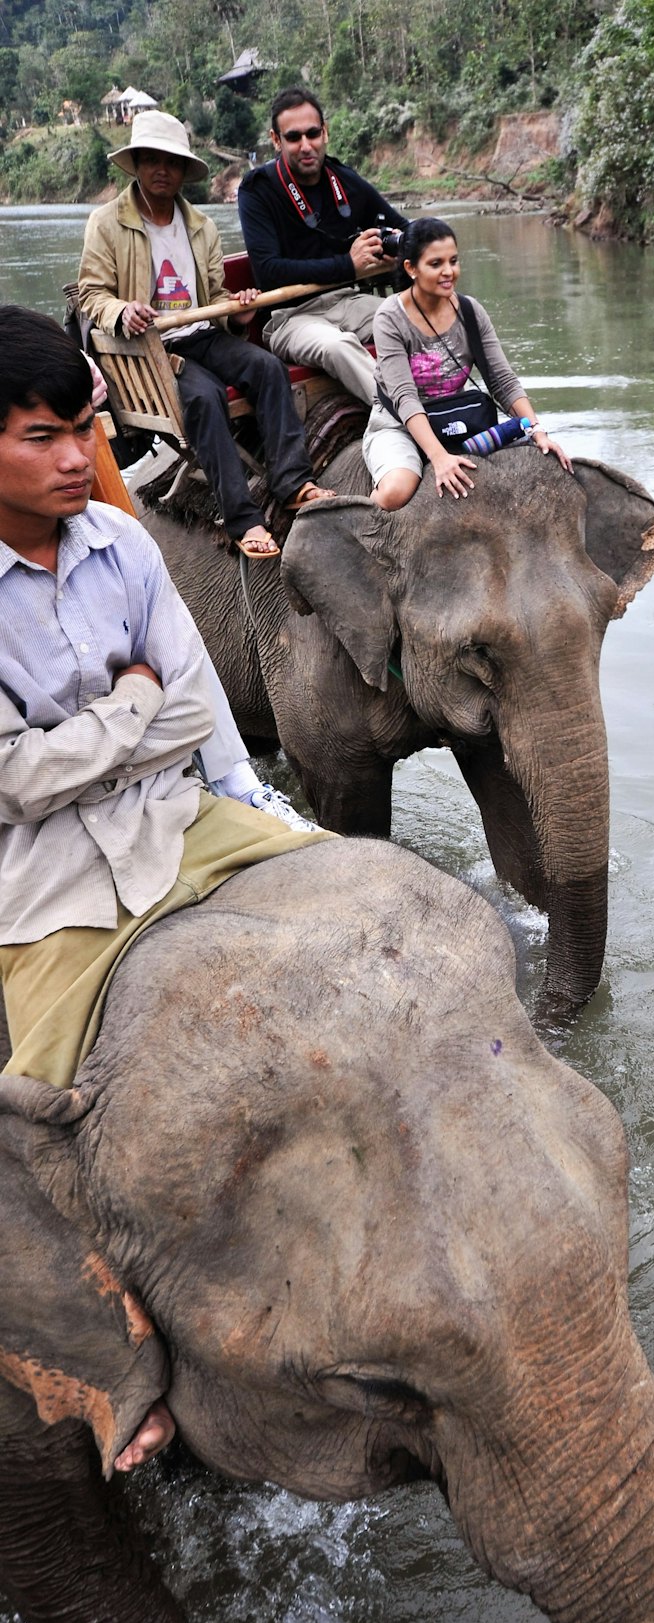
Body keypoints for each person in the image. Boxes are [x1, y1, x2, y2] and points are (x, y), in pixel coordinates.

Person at [0, 305, 333, 1472]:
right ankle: (114, 1351)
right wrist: (132, 711)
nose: (77, 457)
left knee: (347, 911)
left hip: (178, 818)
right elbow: (12, 788)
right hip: (40, 883)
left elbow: (202, 715)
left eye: (86, 429)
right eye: (45, 435)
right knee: (39, 1109)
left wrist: (256, 805)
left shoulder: (127, 548)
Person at [78, 109, 334, 560]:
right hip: (149, 349)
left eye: (172, 162)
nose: (162, 170)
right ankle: (243, 519)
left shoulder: (200, 226)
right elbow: (91, 295)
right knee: (203, 396)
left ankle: (294, 482)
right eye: (152, 160)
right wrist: (124, 311)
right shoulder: (107, 222)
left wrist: (238, 310)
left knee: (268, 367)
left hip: (201, 334)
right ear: (136, 163)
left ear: (182, 171)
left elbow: (215, 296)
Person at [364, 217, 572, 510]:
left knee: (540, 465)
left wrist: (537, 430)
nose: (448, 271)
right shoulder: (390, 317)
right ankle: (360, 519)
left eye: (453, 260)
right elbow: (405, 398)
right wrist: (438, 457)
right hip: (399, 423)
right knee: (395, 492)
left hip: (456, 418)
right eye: (435, 264)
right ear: (411, 268)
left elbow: (502, 380)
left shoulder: (471, 311)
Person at [238, 87, 409, 408]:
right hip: (290, 317)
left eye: (313, 134)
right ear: (276, 140)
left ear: (325, 132)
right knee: (339, 346)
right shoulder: (257, 189)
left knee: (421, 316)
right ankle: (409, 419)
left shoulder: (341, 178)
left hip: (347, 301)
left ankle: (464, 402)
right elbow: (268, 272)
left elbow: (407, 228)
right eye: (293, 137)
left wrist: (403, 246)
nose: (306, 146)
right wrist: (349, 265)